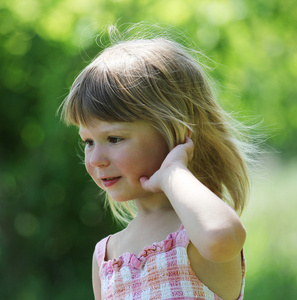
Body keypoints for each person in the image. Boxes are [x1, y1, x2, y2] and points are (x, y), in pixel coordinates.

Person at [60, 25, 257, 300]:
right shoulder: (106, 257)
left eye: (114, 139)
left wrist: (173, 172)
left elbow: (224, 238)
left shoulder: (196, 234)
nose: (96, 159)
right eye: (88, 142)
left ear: (175, 133)